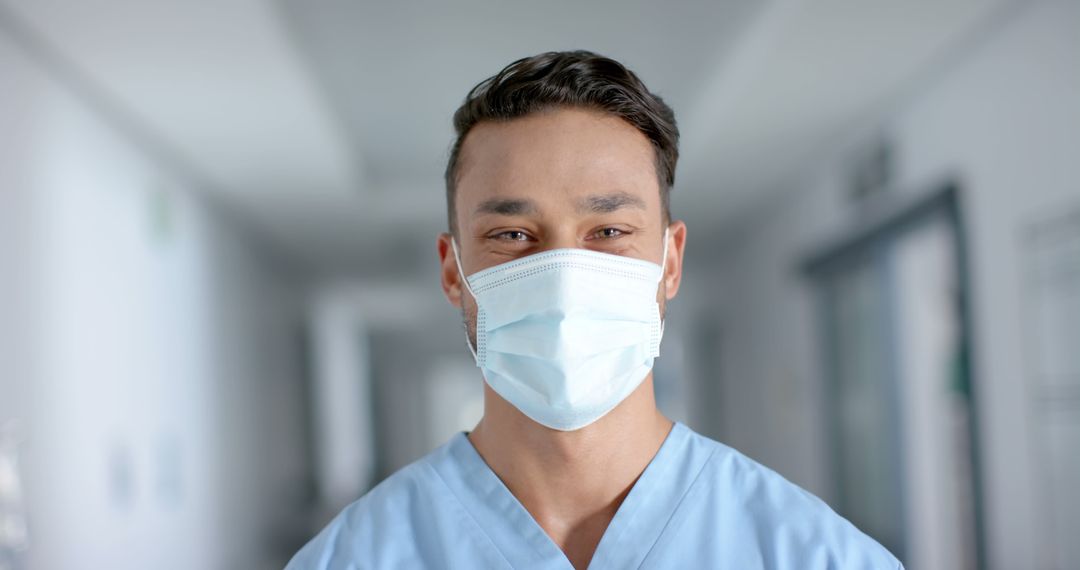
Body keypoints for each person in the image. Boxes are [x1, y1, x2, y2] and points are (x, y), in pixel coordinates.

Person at [286, 50, 901, 570]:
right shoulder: (352, 557)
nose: (563, 280)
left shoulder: (815, 555)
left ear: (669, 261)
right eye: (513, 235)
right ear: (453, 271)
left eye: (608, 231)